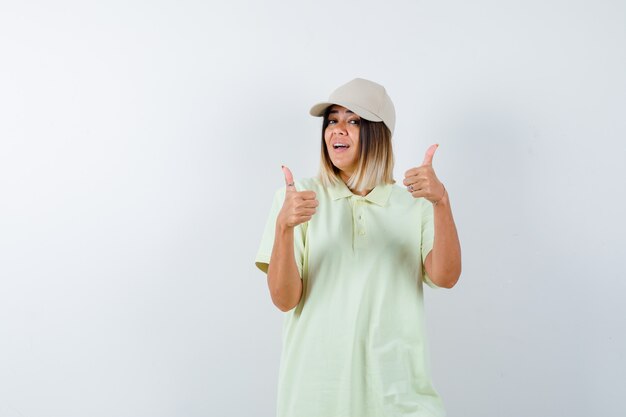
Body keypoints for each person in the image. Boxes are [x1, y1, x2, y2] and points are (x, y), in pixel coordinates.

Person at [255, 78, 461, 417]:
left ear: (378, 133)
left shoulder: (415, 202)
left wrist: (441, 202)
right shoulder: (297, 199)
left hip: (398, 395)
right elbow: (284, 299)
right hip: (316, 398)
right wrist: (283, 228)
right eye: (332, 120)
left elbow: (446, 277)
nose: (338, 130)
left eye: (353, 121)